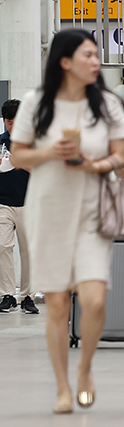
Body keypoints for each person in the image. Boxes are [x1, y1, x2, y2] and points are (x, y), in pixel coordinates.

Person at [9, 31, 124, 414]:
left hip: (93, 210)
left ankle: (85, 369)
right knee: (58, 304)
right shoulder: (36, 102)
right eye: (87, 55)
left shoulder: (107, 103)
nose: (95, 62)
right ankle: (63, 386)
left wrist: (94, 164)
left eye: (97, 55)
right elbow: (17, 156)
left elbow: (119, 155)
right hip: (49, 210)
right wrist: (51, 152)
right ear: (64, 61)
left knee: (94, 300)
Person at [0, 98, 36, 314]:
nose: (12, 126)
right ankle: (7, 294)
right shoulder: (0, 141)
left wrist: (18, 162)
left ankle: (28, 297)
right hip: (3, 202)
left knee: (29, 251)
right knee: (3, 246)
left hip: (29, 202)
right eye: (8, 122)